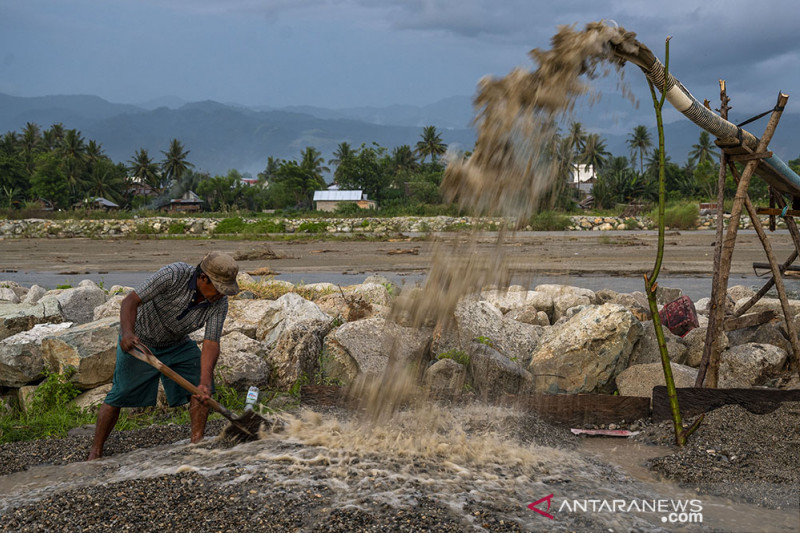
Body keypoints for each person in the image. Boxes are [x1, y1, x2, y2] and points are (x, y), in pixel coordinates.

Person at [87, 251, 240, 460]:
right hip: (140, 342)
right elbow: (130, 301)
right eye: (219, 288)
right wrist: (128, 333)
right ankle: (95, 451)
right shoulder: (173, 274)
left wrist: (204, 382)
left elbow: (211, 342)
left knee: (201, 386)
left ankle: (197, 442)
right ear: (203, 278)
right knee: (119, 393)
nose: (221, 295)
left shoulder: (219, 303)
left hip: (177, 344)